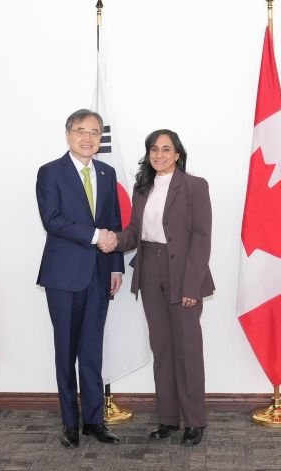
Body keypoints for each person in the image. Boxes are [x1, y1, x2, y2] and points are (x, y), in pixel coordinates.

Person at [99, 129, 214, 446]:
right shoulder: (142, 188)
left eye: (166, 149)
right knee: (162, 349)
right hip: (149, 270)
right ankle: (168, 419)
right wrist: (113, 240)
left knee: (187, 350)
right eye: (154, 149)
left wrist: (191, 286)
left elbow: (202, 238)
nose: (159, 155)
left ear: (177, 154)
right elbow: (134, 233)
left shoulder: (195, 186)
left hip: (183, 273)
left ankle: (194, 421)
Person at [36, 109, 123, 448]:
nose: (88, 138)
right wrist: (95, 236)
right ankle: (70, 424)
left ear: (101, 138)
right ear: (68, 135)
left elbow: (113, 222)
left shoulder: (106, 172)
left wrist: (115, 266)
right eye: (81, 131)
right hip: (63, 277)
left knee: (92, 351)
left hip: (99, 275)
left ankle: (94, 421)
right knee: (66, 351)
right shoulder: (50, 172)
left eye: (94, 132)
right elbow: (52, 219)